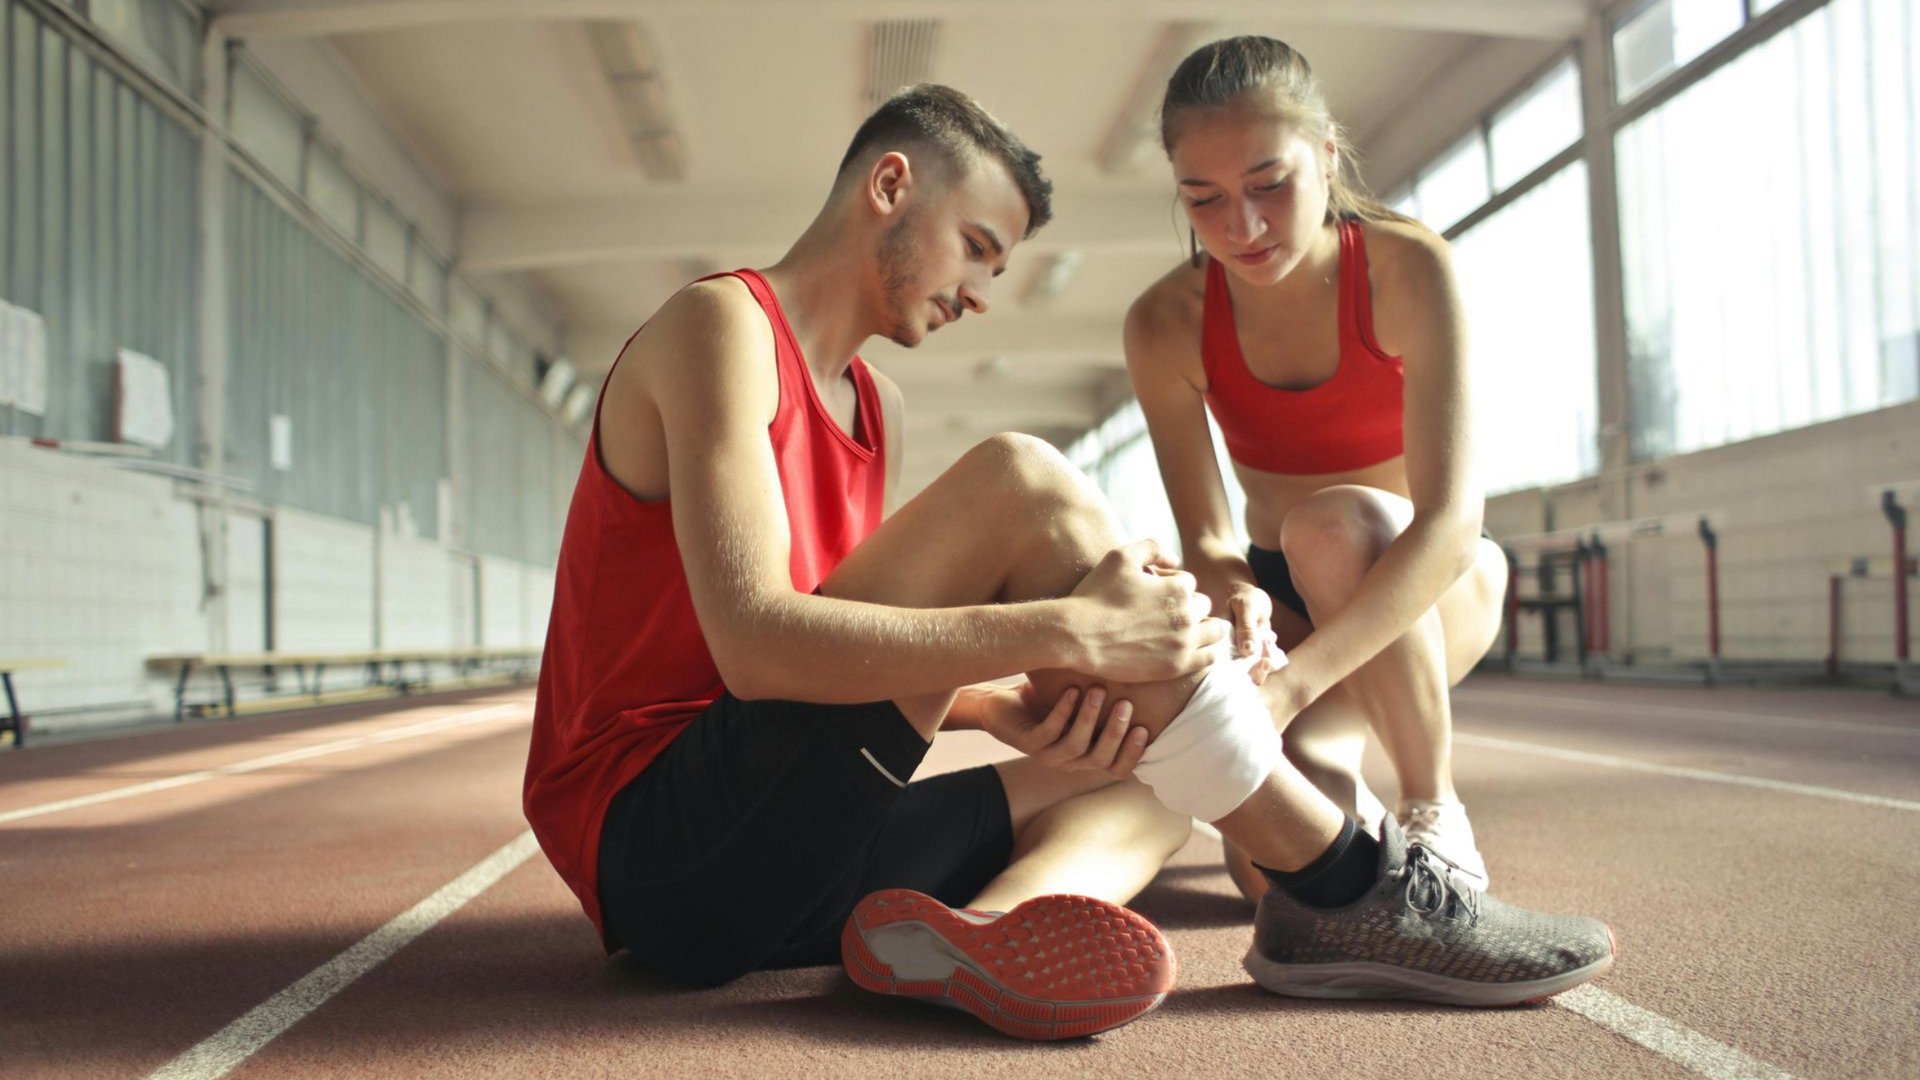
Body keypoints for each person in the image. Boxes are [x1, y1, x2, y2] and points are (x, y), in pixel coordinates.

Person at [524, 84, 1612, 1044]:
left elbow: (837, 665)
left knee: (1148, 764)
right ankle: (1344, 881)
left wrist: (1003, 706)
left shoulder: (877, 407)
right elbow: (759, 650)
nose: (982, 294)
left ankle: (987, 933)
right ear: (891, 186)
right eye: (978, 248)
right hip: (665, 853)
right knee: (1019, 479)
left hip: (784, 870)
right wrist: (1067, 634)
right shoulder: (721, 327)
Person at [1124, 36, 1509, 898]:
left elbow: (1451, 526)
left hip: (1431, 584)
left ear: (1327, 155)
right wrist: (1238, 596)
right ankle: (1342, 772)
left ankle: (1431, 804)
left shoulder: (1410, 269)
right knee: (1273, 879)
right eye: (1204, 199)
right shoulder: (1165, 323)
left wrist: (1293, 687)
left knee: (1333, 525)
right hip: (1288, 601)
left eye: (1269, 185)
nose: (1242, 227)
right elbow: (1211, 536)